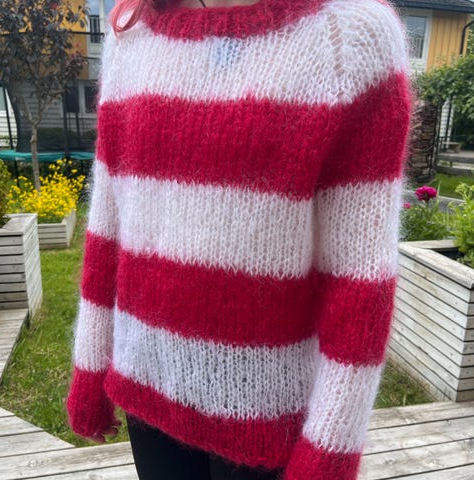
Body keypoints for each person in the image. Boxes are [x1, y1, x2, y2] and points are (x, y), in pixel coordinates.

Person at [66, 0, 414, 478]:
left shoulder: (349, 38)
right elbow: (108, 224)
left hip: (267, 416)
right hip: (146, 384)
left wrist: (332, 447)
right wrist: (90, 365)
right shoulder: (131, 34)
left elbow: (360, 278)